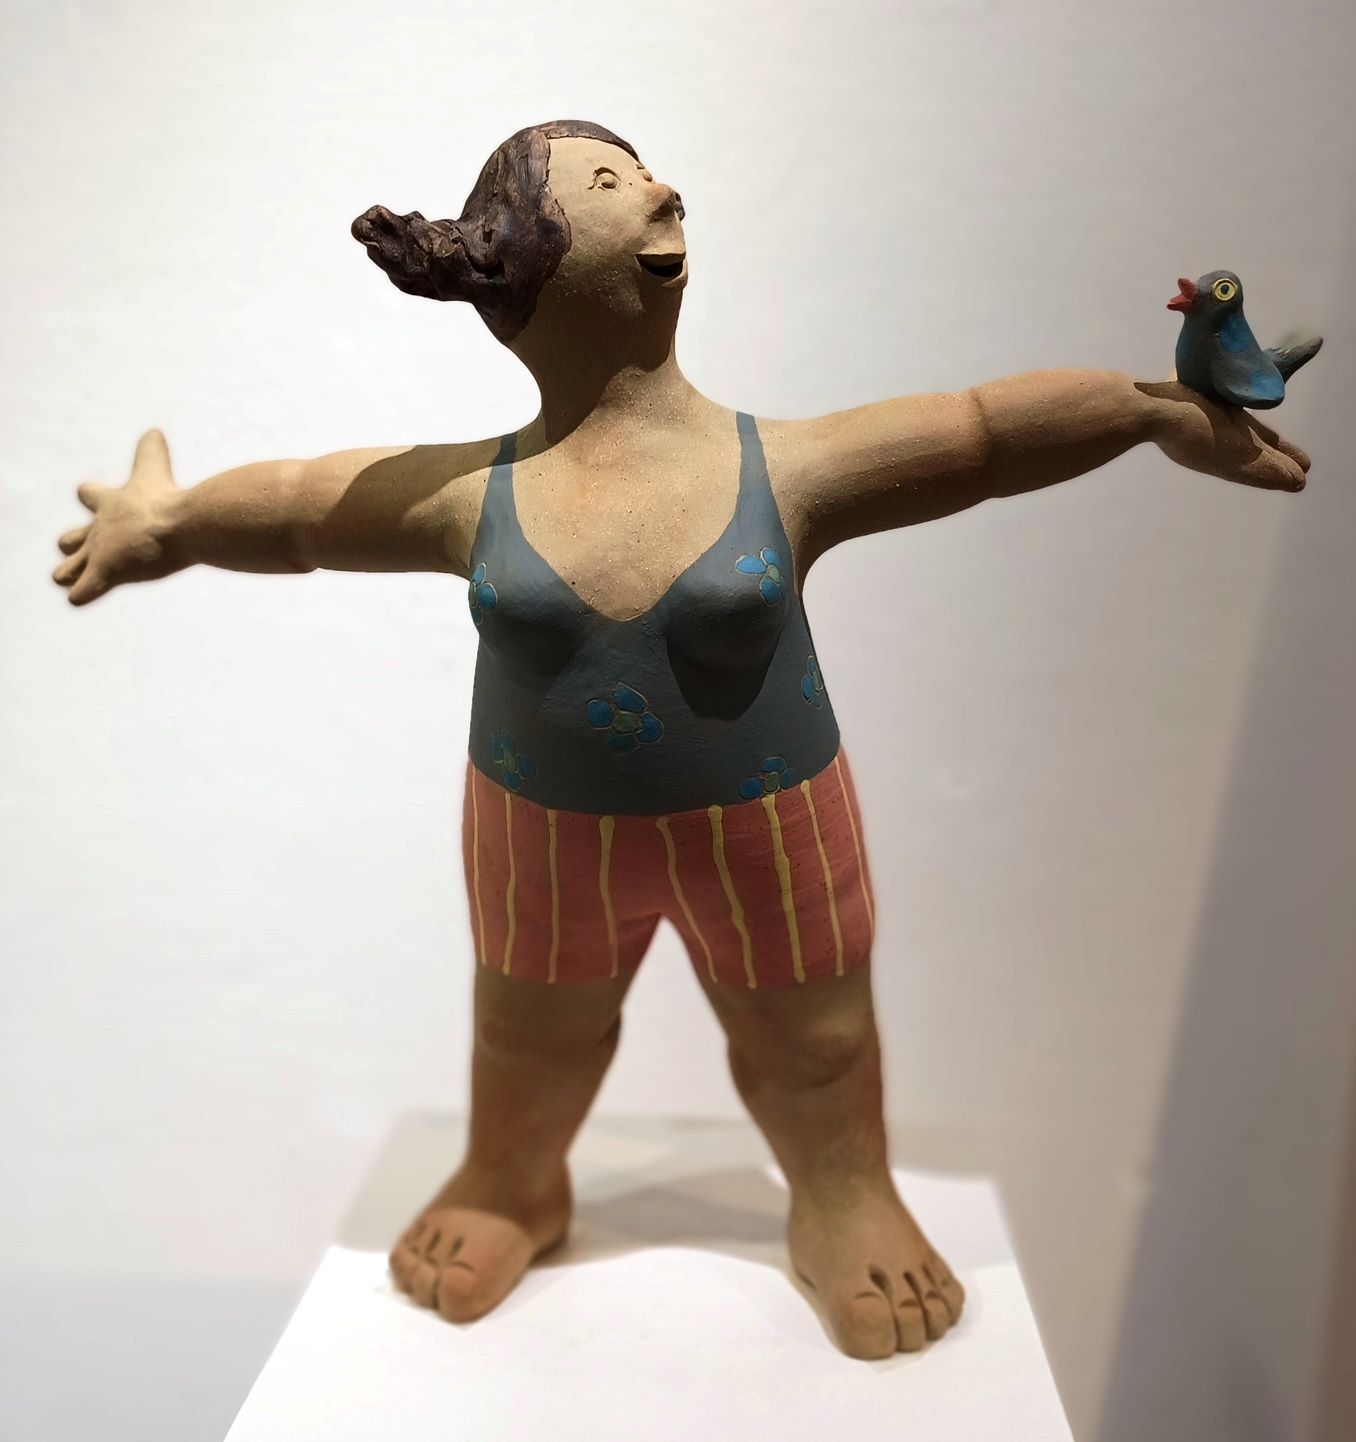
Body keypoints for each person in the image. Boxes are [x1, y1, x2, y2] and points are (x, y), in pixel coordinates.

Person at [52, 119, 1310, 1360]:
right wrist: (173, 522)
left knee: (817, 1038)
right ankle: (512, 1179)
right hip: (539, 834)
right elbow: (302, 508)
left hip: (772, 819)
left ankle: (844, 1192)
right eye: (612, 181)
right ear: (515, 265)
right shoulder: (471, 492)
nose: (665, 192)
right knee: (525, 1035)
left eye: (649, 172)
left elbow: (979, 432)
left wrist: (1146, 410)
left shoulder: (786, 466)